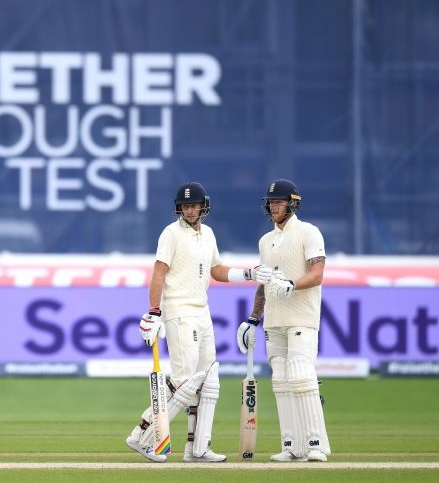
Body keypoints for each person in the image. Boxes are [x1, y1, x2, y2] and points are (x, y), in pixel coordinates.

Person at [125, 182, 272, 463]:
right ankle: (141, 436)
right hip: (179, 312)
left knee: (209, 381)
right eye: (185, 206)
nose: (190, 210)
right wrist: (154, 311)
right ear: (179, 208)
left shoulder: (208, 234)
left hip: (202, 312)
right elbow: (158, 274)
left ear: (203, 206)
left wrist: (250, 274)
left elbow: (216, 271)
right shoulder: (170, 234)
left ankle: (198, 448)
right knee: (184, 382)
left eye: (194, 205)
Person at [236, 179, 331, 462]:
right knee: (281, 381)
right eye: (271, 202)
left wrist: (292, 283)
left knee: (301, 376)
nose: (274, 206)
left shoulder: (309, 232)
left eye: (279, 201)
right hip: (274, 321)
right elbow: (263, 285)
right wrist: (253, 319)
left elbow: (317, 275)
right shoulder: (265, 241)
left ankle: (316, 444)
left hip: (302, 316)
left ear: (292, 202)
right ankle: (292, 445)